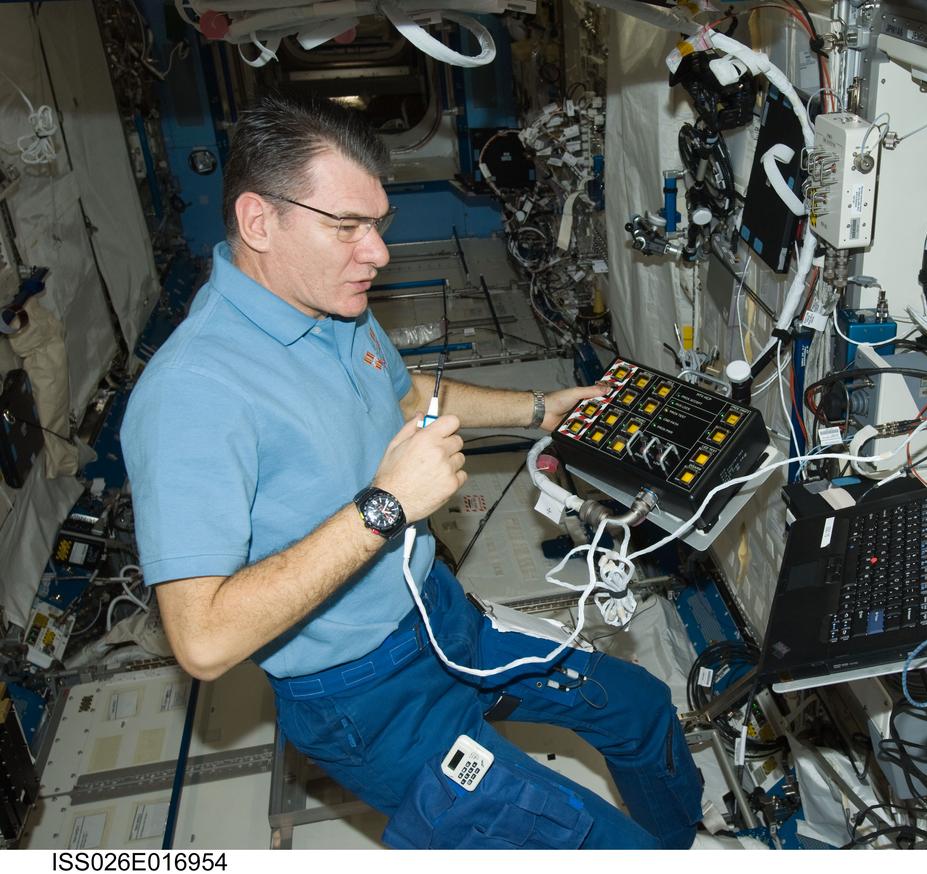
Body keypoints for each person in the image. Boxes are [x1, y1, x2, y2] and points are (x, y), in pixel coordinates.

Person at [121, 94, 703, 849]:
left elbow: (402, 394)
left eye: (379, 226)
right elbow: (200, 640)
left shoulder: (330, 300)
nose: (378, 255)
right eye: (347, 228)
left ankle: (691, 842)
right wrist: (385, 507)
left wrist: (540, 410)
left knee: (639, 706)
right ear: (259, 220)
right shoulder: (192, 394)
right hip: (363, 698)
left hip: (439, 616)